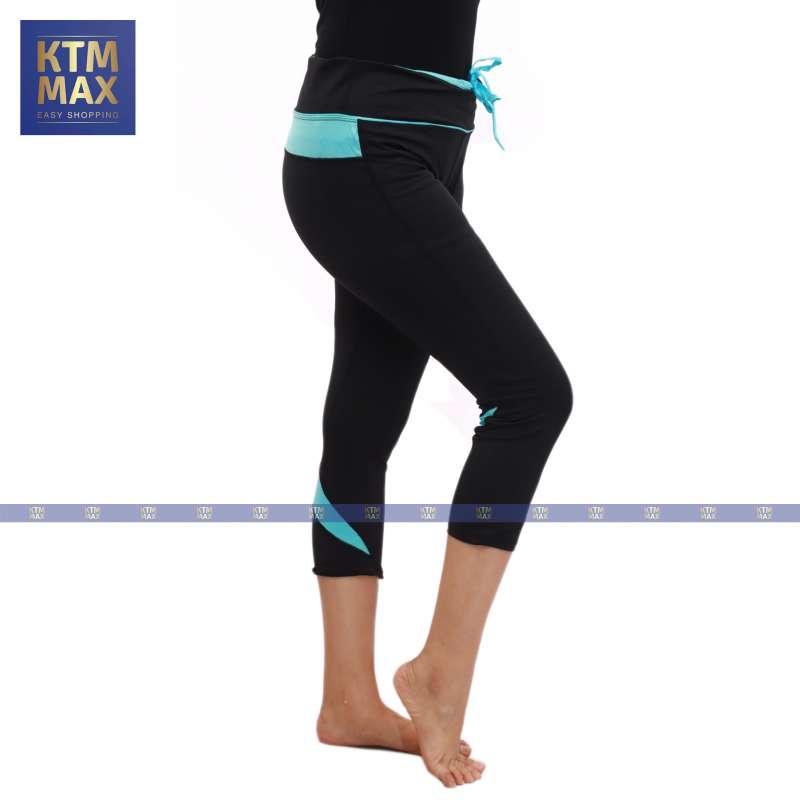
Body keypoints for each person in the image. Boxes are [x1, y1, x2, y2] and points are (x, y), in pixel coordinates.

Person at [282, 0, 573, 787]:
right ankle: (441, 670)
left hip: (412, 139)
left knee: (364, 422)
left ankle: (348, 701)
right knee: (530, 397)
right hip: (367, 145)